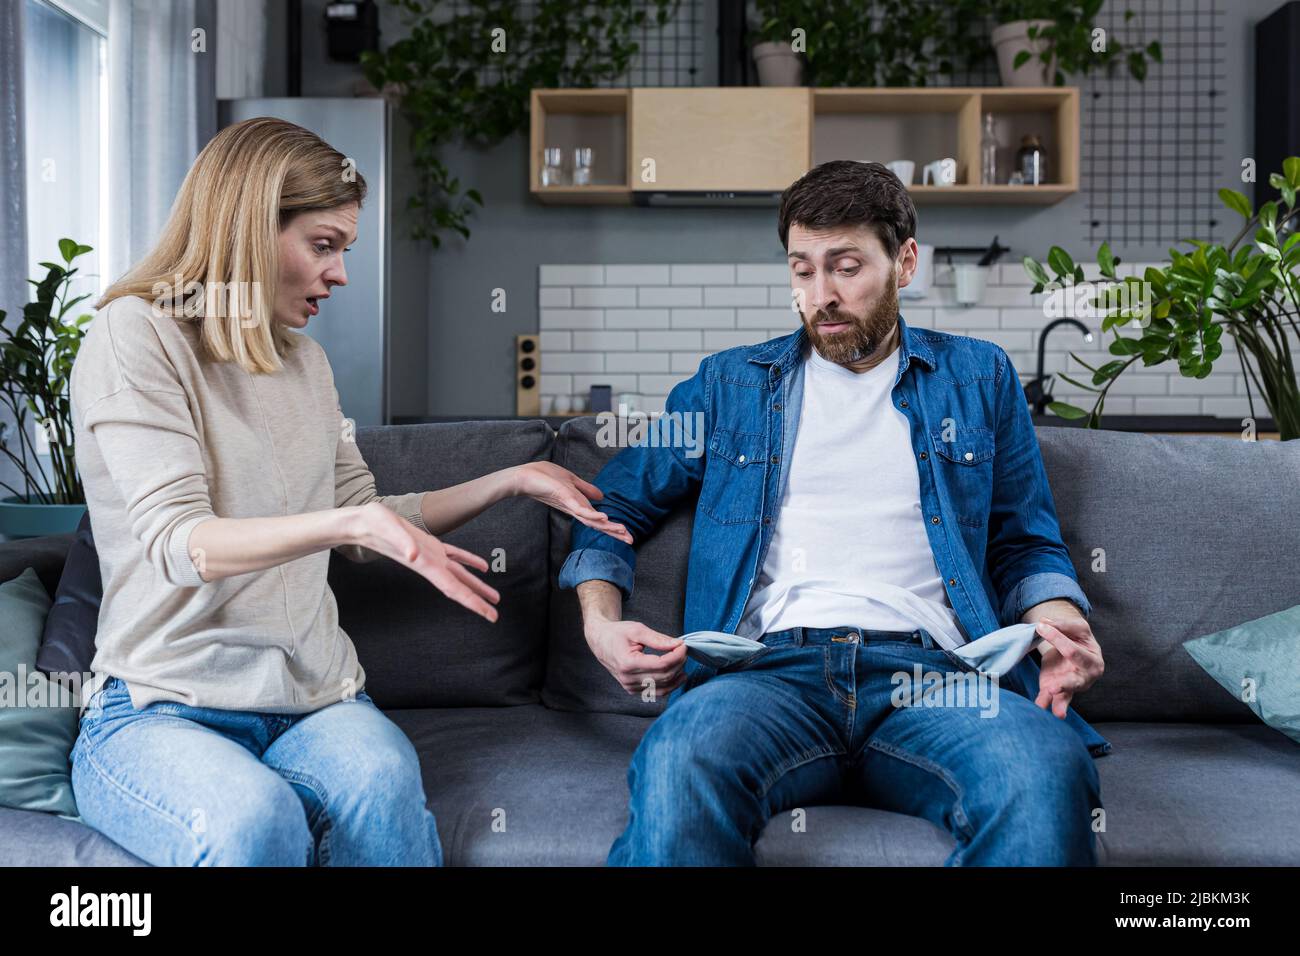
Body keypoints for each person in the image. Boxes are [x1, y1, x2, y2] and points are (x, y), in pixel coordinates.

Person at [68, 116, 630, 866]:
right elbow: (180, 544)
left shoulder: (306, 365)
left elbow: (366, 519)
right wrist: (349, 525)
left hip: (313, 700)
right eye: (323, 245)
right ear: (247, 228)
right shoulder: (136, 335)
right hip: (161, 706)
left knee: (383, 785)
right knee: (251, 823)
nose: (339, 274)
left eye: (344, 250)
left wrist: (509, 480)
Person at [559, 159, 1109, 866]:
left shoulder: (979, 376)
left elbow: (1025, 542)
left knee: (1044, 774)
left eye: (846, 267)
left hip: (935, 674)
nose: (821, 295)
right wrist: (599, 624)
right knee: (679, 766)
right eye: (802, 270)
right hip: (766, 676)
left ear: (904, 261)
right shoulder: (727, 385)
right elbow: (611, 506)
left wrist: (1059, 624)